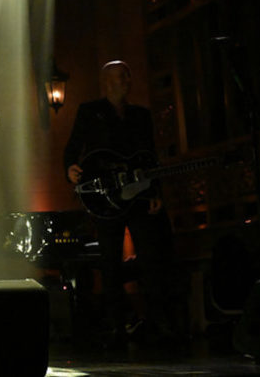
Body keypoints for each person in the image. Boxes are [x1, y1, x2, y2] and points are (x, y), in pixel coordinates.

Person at [64, 60, 176, 347]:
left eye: (126, 76)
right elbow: (73, 147)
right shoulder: (90, 112)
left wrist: (156, 193)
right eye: (117, 77)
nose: (124, 80)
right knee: (110, 261)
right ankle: (118, 324)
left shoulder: (141, 115)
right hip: (105, 198)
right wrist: (70, 168)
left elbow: (150, 157)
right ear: (106, 82)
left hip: (138, 194)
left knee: (151, 258)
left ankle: (157, 322)